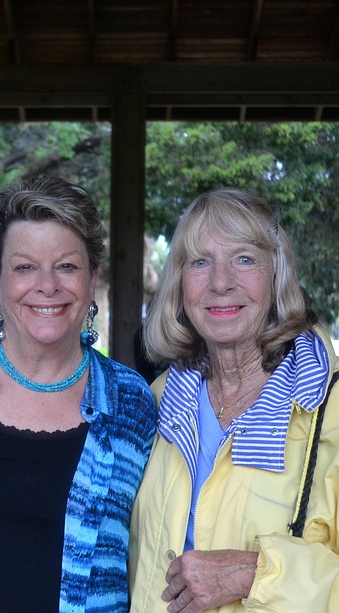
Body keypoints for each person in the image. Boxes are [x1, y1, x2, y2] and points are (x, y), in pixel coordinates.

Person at [0, 175, 157, 612]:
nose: (48, 285)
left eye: (67, 266)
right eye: (24, 267)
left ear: (93, 277)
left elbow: (157, 542)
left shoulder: (131, 402)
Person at [129, 188, 339, 613]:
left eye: (244, 259)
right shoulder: (154, 403)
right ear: (180, 283)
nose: (221, 282)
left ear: (276, 273)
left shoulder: (329, 408)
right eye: (200, 262)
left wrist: (256, 574)